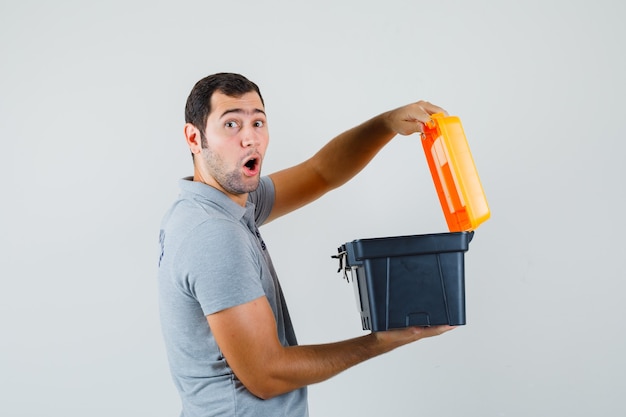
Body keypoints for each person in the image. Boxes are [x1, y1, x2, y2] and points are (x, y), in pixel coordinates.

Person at [158, 72, 455, 417]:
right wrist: (380, 341)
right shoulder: (212, 232)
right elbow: (267, 374)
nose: (250, 139)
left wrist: (387, 124)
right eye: (231, 125)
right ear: (194, 138)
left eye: (258, 122)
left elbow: (320, 173)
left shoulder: (220, 203)